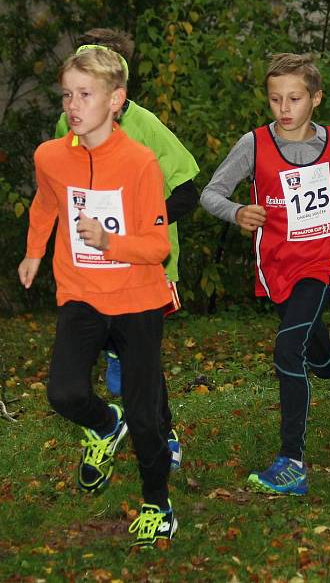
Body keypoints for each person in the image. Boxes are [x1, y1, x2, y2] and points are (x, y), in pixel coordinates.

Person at [200, 52, 330, 495]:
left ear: (315, 98)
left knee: (287, 349)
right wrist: (237, 211)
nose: (284, 108)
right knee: (324, 362)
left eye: (294, 98)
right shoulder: (254, 144)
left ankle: (291, 463)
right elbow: (211, 194)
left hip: (322, 258)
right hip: (278, 264)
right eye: (275, 99)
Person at [19, 47, 178, 547]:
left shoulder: (139, 163)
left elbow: (156, 246)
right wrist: (34, 253)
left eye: (84, 94)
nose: (73, 104)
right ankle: (106, 425)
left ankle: (158, 504)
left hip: (137, 300)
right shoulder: (50, 155)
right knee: (63, 392)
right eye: (67, 94)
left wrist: (110, 242)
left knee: (146, 414)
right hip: (82, 294)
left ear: (115, 100)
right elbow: (46, 203)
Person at [55, 29, 200, 468]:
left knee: (143, 358)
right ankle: (109, 410)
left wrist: (137, 229)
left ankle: (164, 435)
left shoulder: (146, 126)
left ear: (118, 89)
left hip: (145, 263)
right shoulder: (68, 124)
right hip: (92, 264)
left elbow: (188, 192)